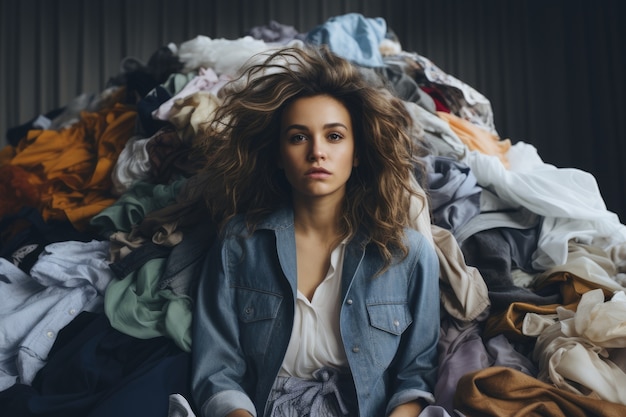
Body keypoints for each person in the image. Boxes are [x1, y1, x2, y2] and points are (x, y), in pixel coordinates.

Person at [190, 45, 440, 417]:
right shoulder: (239, 243)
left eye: (334, 136)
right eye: (298, 137)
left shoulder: (408, 253)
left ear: (357, 152)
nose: (317, 152)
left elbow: (416, 375)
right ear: (278, 154)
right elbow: (218, 371)